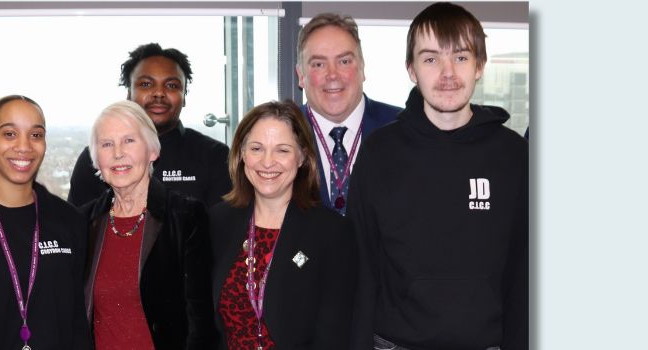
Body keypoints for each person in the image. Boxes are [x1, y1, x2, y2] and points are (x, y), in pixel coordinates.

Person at [347, 3, 528, 350]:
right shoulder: (379, 153)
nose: (447, 73)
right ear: (411, 69)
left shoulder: (513, 155)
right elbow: (361, 271)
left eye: (460, 57)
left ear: (480, 66)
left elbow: (525, 274)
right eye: (431, 59)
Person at [210, 100, 358, 349]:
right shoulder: (217, 221)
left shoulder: (332, 232)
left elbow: (334, 335)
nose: (267, 162)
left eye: (282, 150)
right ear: (242, 154)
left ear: (302, 157)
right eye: (256, 148)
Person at [78, 100, 217, 349]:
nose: (118, 153)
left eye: (129, 141)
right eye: (107, 144)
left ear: (152, 151)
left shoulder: (185, 217)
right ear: (96, 159)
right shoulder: (83, 223)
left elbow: (201, 322)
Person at [0, 95, 90, 350]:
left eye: (36, 135)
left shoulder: (70, 220)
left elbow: (77, 320)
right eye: (9, 134)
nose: (24, 146)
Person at [68, 43, 231, 208]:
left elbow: (224, 229)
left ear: (184, 96)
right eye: (146, 84)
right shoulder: (95, 158)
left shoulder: (215, 157)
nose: (159, 93)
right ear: (129, 94)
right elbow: (76, 229)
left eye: (172, 85)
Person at [296, 13, 403, 215]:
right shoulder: (284, 134)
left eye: (344, 61)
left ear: (362, 68)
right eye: (319, 64)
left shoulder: (404, 128)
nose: (333, 75)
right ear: (301, 76)